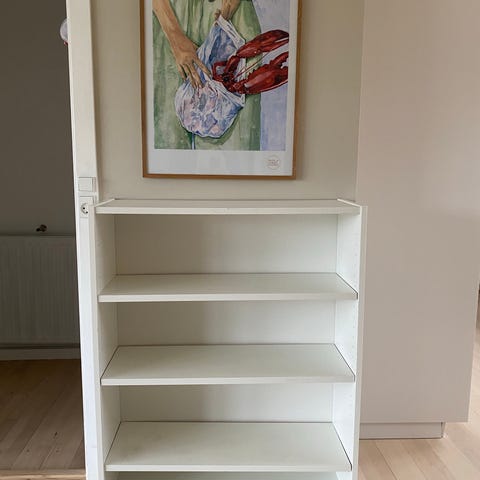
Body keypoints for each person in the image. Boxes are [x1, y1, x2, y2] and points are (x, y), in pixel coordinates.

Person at [152, 0, 261, 150]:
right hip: (167, 16)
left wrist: (226, 15)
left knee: (233, 156)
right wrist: (174, 34)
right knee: (167, 150)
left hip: (231, 15)